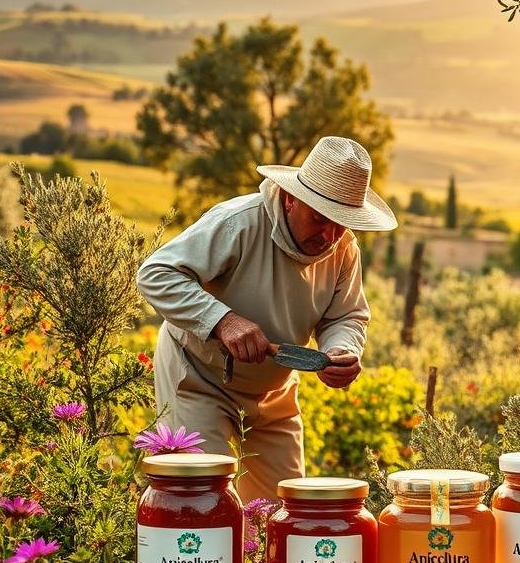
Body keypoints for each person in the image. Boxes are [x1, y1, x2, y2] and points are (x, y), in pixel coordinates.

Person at [136, 136, 397, 502]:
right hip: (198, 378)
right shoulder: (238, 224)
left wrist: (341, 348)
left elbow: (346, 315)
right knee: (202, 499)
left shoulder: (343, 248)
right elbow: (156, 274)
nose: (330, 236)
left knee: (284, 511)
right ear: (292, 198)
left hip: (275, 393)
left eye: (341, 223)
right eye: (320, 218)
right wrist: (223, 321)